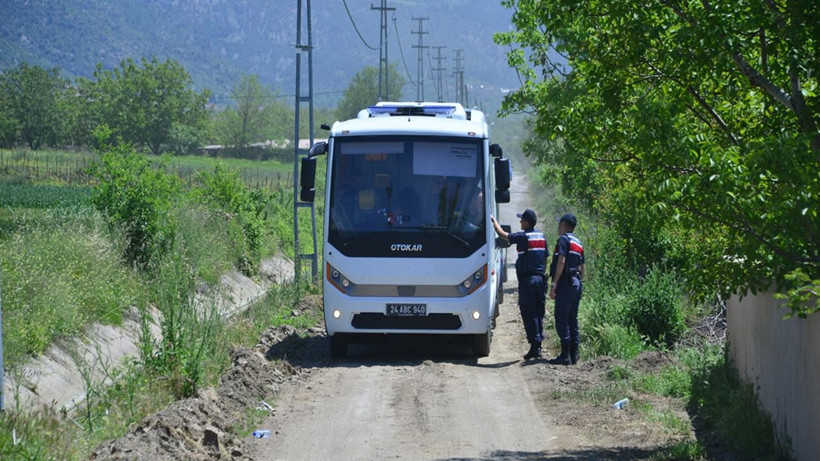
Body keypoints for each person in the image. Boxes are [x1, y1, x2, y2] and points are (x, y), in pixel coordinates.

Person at [491, 209, 547, 360]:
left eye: (522, 220)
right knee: (538, 312)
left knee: (529, 313)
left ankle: (535, 346)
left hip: (528, 280)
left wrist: (492, 221)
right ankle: (538, 344)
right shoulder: (541, 236)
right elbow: (545, 256)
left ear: (527, 222)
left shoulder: (524, 236)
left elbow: (504, 235)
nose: (520, 222)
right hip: (541, 280)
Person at [548, 213, 585, 365]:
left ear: (563, 225)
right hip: (576, 284)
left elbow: (561, 261)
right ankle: (574, 354)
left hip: (566, 284)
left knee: (561, 318)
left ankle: (565, 355)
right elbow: (583, 269)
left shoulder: (564, 240)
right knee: (572, 318)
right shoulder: (578, 242)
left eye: (559, 224)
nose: (558, 227)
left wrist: (554, 283)